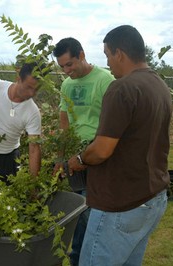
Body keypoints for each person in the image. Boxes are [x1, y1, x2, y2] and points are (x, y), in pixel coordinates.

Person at [67, 25, 173, 265]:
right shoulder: (159, 85)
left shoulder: (122, 88)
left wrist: (80, 160)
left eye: (107, 56)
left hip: (121, 205)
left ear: (120, 54)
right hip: (152, 198)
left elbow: (102, 150)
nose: (108, 64)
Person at [52, 37, 114, 266]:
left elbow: (113, 124)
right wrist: (60, 158)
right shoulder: (66, 85)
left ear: (81, 55)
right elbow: (64, 126)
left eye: (69, 64)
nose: (67, 71)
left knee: (94, 214)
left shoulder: (104, 80)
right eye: (62, 67)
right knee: (80, 213)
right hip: (73, 158)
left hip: (98, 154)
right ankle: (80, 258)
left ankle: (82, 258)